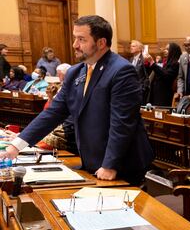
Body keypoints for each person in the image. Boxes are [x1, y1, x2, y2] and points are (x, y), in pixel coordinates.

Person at [0, 15, 153, 184]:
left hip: (121, 165)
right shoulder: (75, 72)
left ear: (101, 43)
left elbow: (122, 123)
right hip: (92, 163)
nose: (75, 45)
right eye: (75, 38)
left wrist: (110, 164)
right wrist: (16, 146)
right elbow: (53, 113)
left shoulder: (121, 71)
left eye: (81, 39)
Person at [145, 42, 182, 107]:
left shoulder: (175, 64)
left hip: (164, 96)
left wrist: (152, 63)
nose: (165, 51)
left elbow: (166, 76)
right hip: (157, 94)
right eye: (165, 49)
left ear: (173, 51)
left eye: (167, 49)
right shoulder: (166, 62)